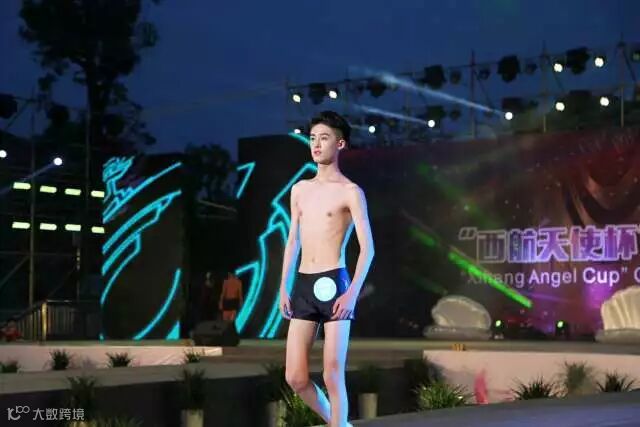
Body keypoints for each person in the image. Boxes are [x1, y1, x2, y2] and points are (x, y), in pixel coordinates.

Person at [279, 111, 375, 427]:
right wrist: (283, 287)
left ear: (340, 143)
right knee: (295, 376)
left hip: (336, 283)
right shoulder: (299, 189)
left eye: (324, 137)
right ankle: (339, 424)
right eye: (312, 138)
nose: (316, 144)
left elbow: (368, 249)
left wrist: (351, 294)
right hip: (303, 285)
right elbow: (292, 241)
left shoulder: (351, 191)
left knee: (332, 373)